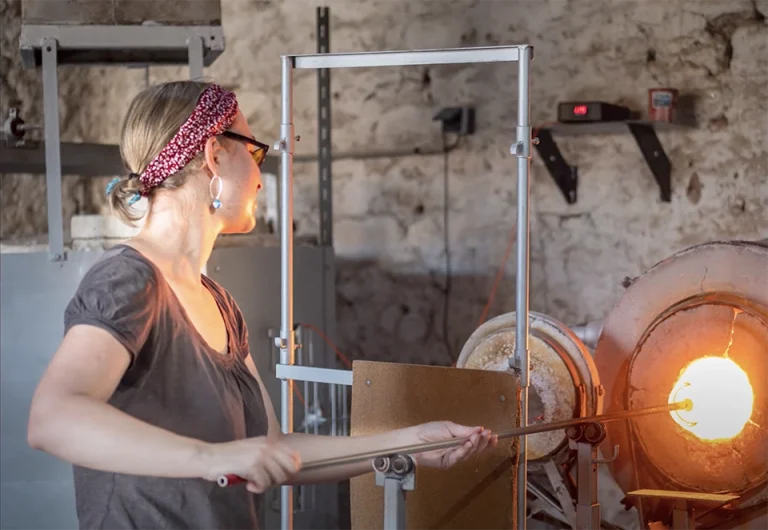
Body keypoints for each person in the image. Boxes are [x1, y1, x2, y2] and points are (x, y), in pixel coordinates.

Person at [27, 81, 498, 530]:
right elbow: (54, 416)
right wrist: (211, 458)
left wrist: (410, 444)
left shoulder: (219, 302)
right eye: (253, 151)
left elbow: (273, 448)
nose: (258, 174)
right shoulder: (128, 280)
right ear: (214, 154)